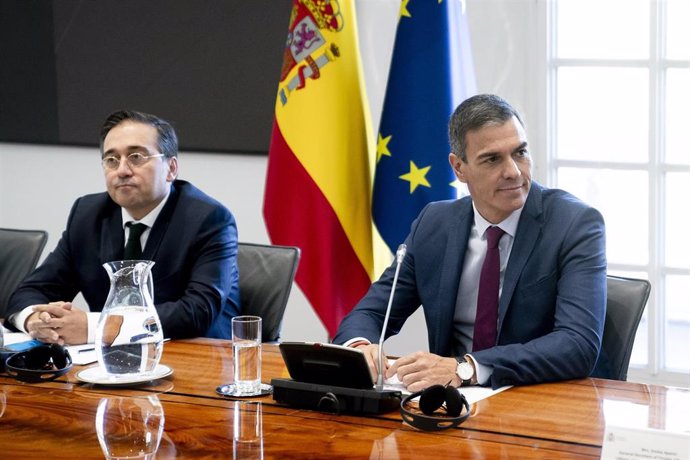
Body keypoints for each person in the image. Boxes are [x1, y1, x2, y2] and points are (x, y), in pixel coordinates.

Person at [334, 94, 607, 391]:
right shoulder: (434, 224)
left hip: (535, 402)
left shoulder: (574, 224)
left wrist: (468, 369)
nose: (514, 171)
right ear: (459, 168)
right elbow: (372, 312)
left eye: (520, 152)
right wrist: (361, 347)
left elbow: (578, 344)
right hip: (446, 404)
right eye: (492, 159)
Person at [5, 110, 240, 344]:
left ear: (171, 169)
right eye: (111, 159)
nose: (122, 170)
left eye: (136, 157)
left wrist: (96, 327)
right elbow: (31, 291)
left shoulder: (208, 219)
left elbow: (197, 312)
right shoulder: (87, 214)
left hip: (196, 358)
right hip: (106, 363)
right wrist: (35, 319)